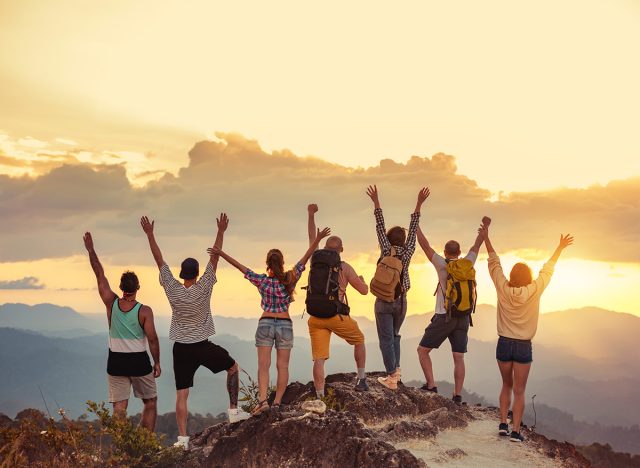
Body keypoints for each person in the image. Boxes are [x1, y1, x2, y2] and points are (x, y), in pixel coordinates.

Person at [140, 214, 249, 450]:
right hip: (202, 345)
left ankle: (182, 440)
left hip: (181, 349)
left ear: (182, 275)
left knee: (182, 394)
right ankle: (233, 411)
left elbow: (159, 260)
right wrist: (221, 230)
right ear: (197, 274)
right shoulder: (205, 285)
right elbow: (215, 257)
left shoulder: (172, 288)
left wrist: (150, 234)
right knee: (232, 367)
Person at [209, 225, 331, 415]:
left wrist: (221, 253)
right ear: (282, 262)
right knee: (282, 366)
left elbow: (241, 267)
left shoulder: (262, 281)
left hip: (265, 323)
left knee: (263, 366)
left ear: (267, 263)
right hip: (285, 324)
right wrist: (318, 239)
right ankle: (277, 403)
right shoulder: (290, 278)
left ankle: (263, 401)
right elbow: (307, 257)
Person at [480, 225, 573, 442]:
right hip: (523, 345)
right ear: (528, 277)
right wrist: (559, 248)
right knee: (520, 391)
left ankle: (503, 423)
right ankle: (516, 431)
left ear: (512, 276)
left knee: (506, 385)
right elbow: (547, 269)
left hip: (504, 343)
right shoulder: (534, 290)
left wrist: (486, 237)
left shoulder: (503, 287)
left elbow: (494, 263)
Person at [82, 232, 160, 432]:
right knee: (150, 402)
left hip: (115, 361)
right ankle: (145, 444)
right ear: (138, 288)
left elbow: (99, 273)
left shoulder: (111, 302)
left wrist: (91, 250)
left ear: (120, 287)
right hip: (138, 361)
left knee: (119, 407)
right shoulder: (144, 311)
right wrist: (157, 362)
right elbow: (152, 339)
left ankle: (122, 450)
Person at [415, 215, 490, 404]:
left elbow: (425, 246)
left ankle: (431, 385)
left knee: (422, 350)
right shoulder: (468, 263)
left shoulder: (442, 264)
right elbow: (476, 247)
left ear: (445, 252)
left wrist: (415, 227)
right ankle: (457, 395)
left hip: (444, 316)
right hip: (464, 317)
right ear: (459, 252)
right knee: (458, 356)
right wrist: (485, 228)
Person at [365, 185, 429, 390]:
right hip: (401, 300)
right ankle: (396, 372)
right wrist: (419, 202)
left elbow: (379, 224)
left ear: (389, 238)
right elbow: (414, 222)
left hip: (383, 300)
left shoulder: (386, 249)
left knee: (385, 339)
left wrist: (376, 201)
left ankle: (392, 376)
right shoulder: (409, 250)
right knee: (395, 335)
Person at [307, 203, 370, 397]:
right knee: (359, 339)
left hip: (315, 316)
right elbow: (364, 291)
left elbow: (312, 238)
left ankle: (320, 397)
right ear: (341, 249)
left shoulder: (314, 260)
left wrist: (310, 214)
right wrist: (361, 280)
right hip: (335, 315)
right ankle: (361, 379)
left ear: (324, 248)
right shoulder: (345, 267)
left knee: (319, 359)